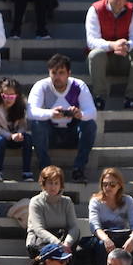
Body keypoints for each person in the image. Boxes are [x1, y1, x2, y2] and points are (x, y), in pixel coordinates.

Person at [26, 54, 98, 184]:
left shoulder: (78, 86)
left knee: (90, 124)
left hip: (72, 133)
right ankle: (46, 170)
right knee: (37, 124)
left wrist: (80, 114)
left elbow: (92, 112)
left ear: (69, 73)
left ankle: (78, 169)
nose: (57, 77)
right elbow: (31, 112)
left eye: (61, 73)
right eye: (53, 73)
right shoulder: (42, 86)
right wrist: (51, 114)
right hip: (50, 134)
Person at [85, 0, 133, 110]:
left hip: (123, 57)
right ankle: (99, 98)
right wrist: (112, 45)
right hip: (102, 61)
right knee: (96, 54)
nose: (118, 1)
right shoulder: (95, 10)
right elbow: (91, 40)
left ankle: (131, 98)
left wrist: (126, 45)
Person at [88, 168, 133, 265]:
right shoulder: (96, 201)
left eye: (112, 184)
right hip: (104, 236)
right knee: (101, 245)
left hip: (122, 235)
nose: (108, 188)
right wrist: (106, 239)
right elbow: (94, 226)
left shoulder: (127, 200)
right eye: (105, 184)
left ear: (119, 185)